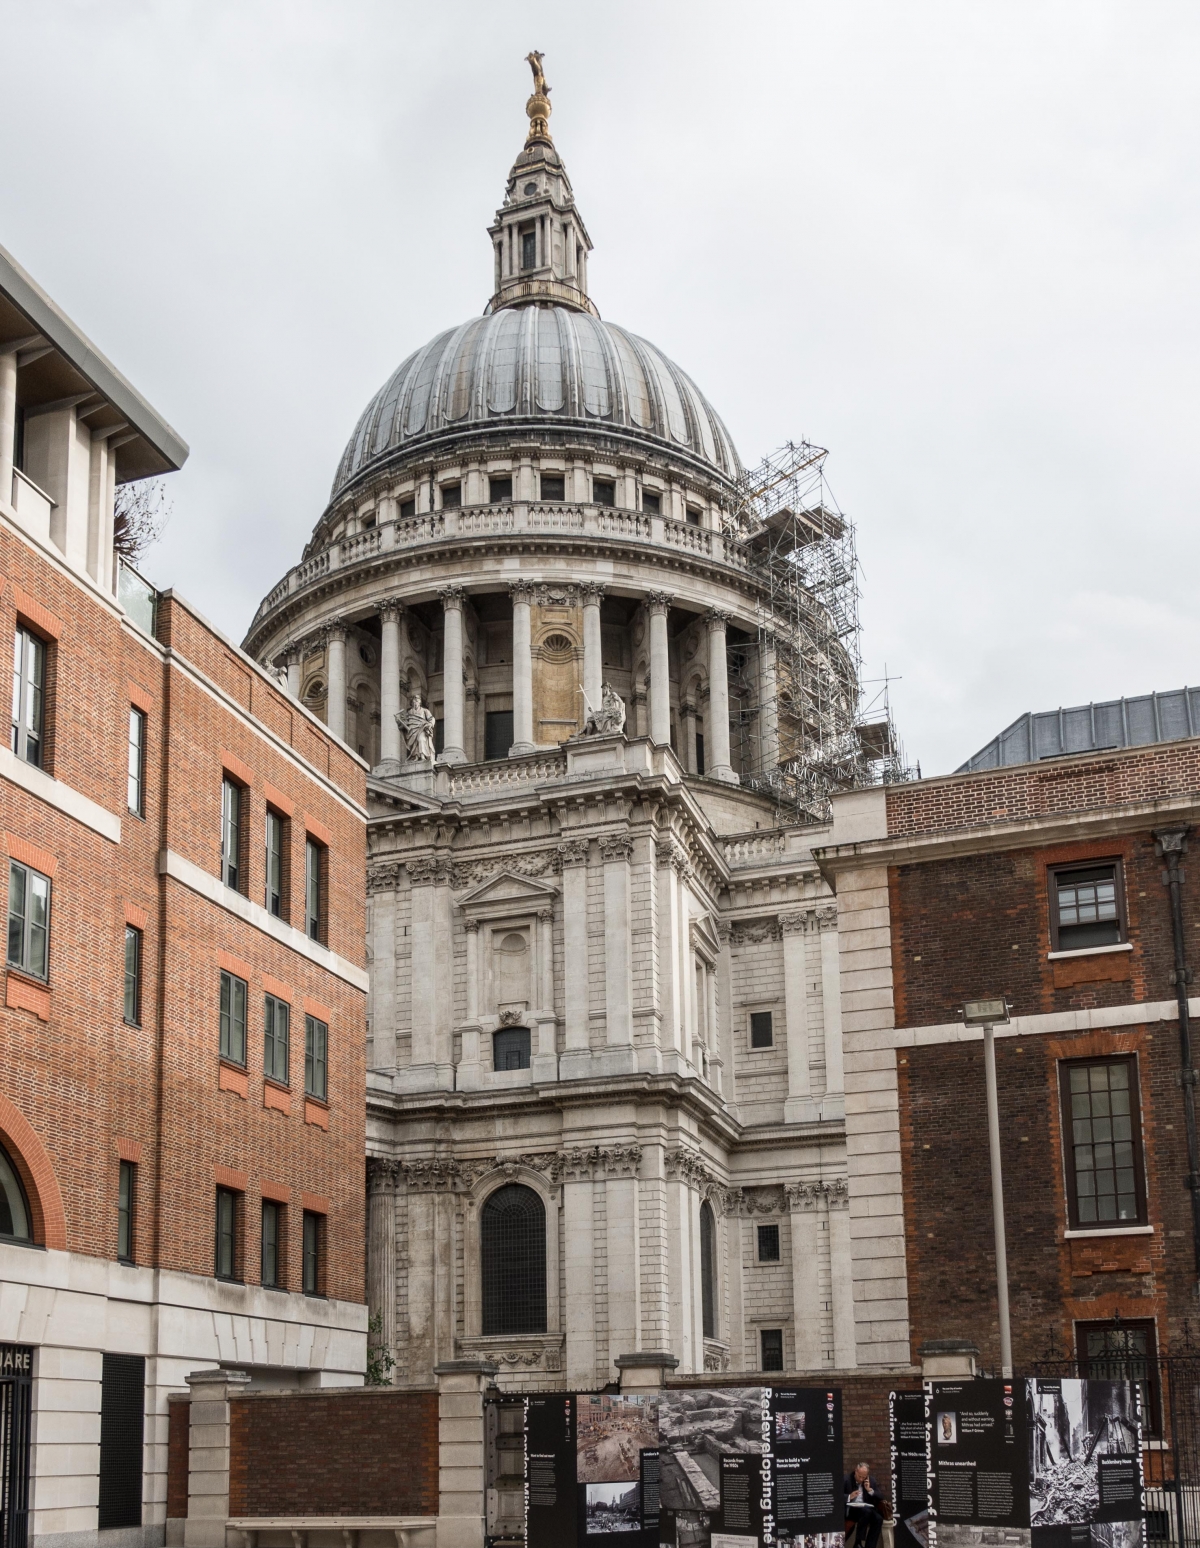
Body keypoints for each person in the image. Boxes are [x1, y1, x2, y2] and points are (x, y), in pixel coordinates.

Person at [844, 1461, 886, 1548]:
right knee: (866, 1511)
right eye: (859, 1476)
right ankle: (858, 1542)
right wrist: (849, 1496)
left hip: (867, 1509)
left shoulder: (871, 1480)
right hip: (852, 1509)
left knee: (878, 1519)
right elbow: (835, 1496)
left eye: (864, 1477)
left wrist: (870, 1490)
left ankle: (870, 1546)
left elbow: (881, 1496)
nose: (861, 1479)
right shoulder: (846, 1479)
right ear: (856, 1471)